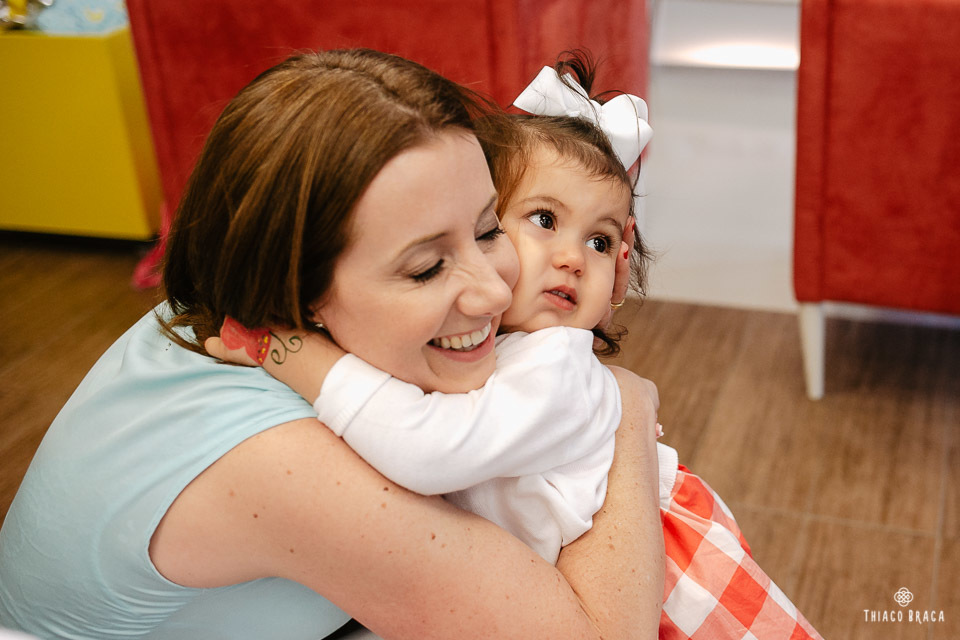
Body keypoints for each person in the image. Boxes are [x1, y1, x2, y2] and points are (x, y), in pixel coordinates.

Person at [0, 49, 664, 640]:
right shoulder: (282, 461)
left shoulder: (237, 306)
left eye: (489, 228)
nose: (492, 291)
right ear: (300, 288)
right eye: (427, 267)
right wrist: (624, 406)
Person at [207, 56, 823, 640]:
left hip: (670, 587)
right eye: (544, 220)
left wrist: (294, 356)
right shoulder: (491, 351)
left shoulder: (557, 367)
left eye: (602, 243)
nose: (573, 259)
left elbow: (428, 448)